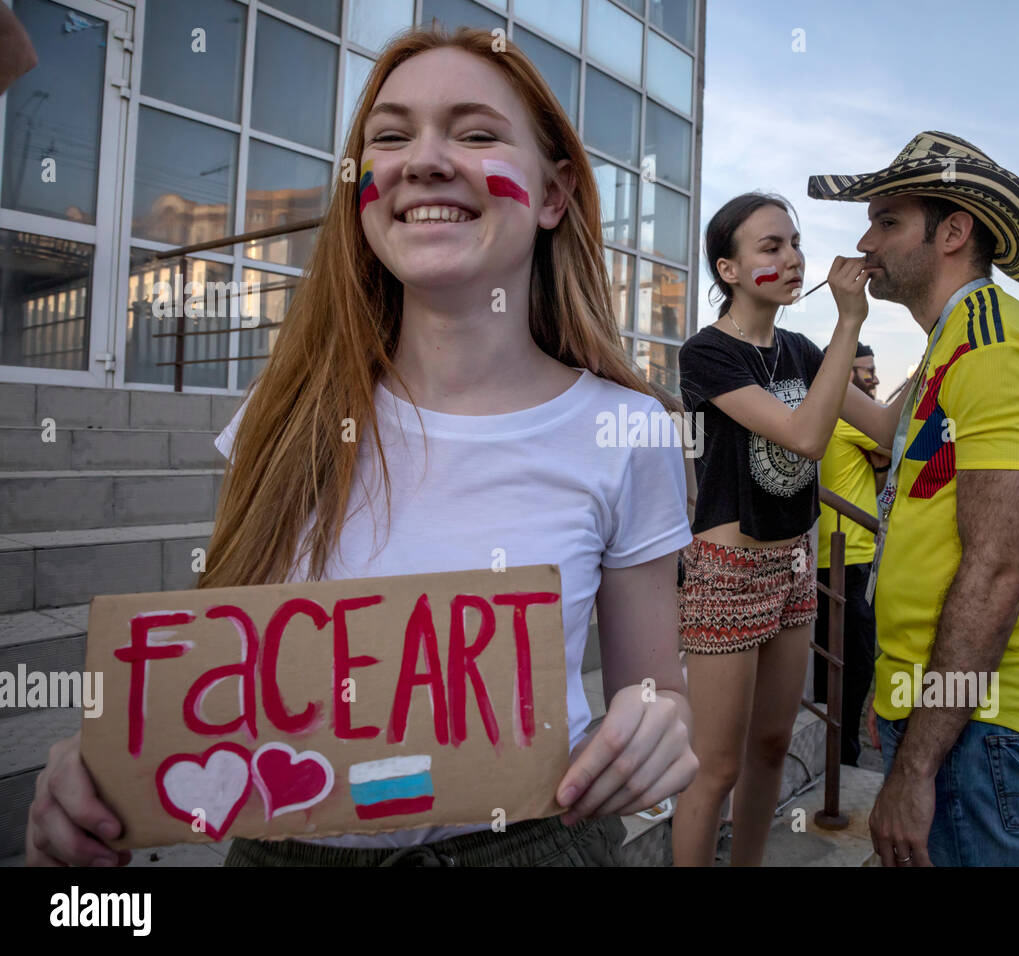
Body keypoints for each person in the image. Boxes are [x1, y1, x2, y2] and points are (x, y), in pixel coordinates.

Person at [26, 25, 699, 868]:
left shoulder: (628, 431)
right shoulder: (285, 408)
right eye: (389, 136)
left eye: (477, 132)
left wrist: (659, 726)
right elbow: (219, 671)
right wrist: (102, 777)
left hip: (533, 846)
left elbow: (657, 688)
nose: (422, 160)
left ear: (556, 193)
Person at [809, 130, 1019, 866]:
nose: (866, 240)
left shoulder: (993, 347)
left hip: (977, 726)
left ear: (953, 232)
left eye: (888, 220)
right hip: (943, 709)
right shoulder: (951, 343)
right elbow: (887, 430)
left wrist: (918, 762)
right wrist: (831, 341)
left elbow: (997, 569)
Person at [673, 191, 904, 866]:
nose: (794, 258)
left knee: (772, 744)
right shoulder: (707, 353)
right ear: (730, 269)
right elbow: (805, 437)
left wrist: (944, 334)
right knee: (714, 765)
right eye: (770, 247)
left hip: (794, 564)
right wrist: (849, 322)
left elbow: (885, 426)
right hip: (727, 570)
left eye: (794, 243)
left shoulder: (802, 349)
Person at [813, 343, 885, 766]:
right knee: (852, 667)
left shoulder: (824, 410)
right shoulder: (845, 413)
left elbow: (879, 469)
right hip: (848, 560)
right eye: (867, 371)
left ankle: (833, 757)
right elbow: (898, 443)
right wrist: (877, 457)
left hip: (830, 557)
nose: (874, 378)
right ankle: (841, 762)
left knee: (832, 667)